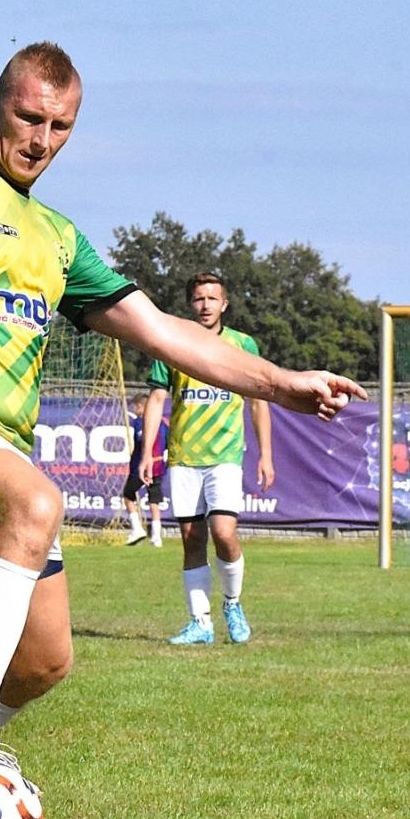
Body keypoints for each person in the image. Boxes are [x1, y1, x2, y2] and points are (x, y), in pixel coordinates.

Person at [0, 40, 367, 819]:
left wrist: (281, 383)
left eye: (59, 126)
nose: (40, 139)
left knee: (45, 659)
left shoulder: (58, 237)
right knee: (35, 502)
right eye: (28, 117)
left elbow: (160, 330)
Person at [140, 273, 273, 646]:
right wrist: (149, 451)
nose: (205, 305)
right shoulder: (172, 343)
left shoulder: (242, 345)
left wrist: (265, 455)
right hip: (184, 455)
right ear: (190, 303)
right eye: (199, 298)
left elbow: (258, 401)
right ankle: (200, 622)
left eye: (212, 298)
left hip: (225, 454)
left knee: (224, 533)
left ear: (224, 304)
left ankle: (232, 603)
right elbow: (156, 399)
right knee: (192, 538)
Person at [120, 392, 166, 547]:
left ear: (140, 406)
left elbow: (141, 439)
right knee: (154, 501)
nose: (134, 410)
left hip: (142, 466)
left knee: (128, 495)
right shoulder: (163, 422)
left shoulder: (141, 421)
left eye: (135, 407)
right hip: (158, 466)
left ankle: (137, 528)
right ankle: (156, 537)